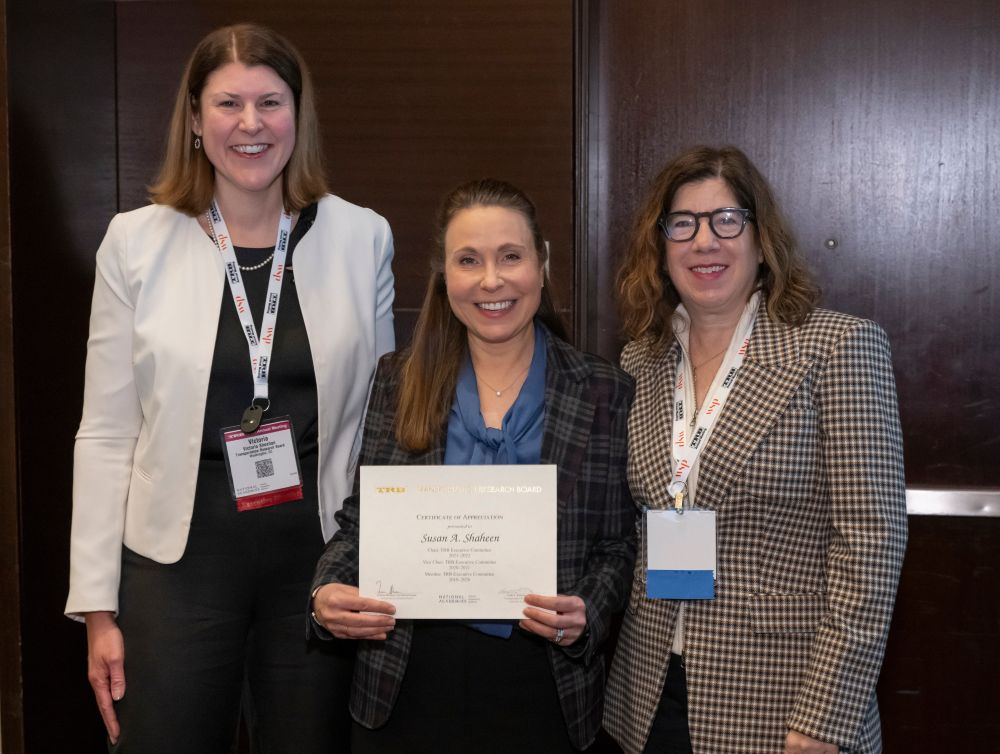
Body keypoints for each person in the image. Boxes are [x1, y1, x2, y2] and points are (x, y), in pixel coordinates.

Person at [65, 23, 395, 752]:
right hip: (177, 566)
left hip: (320, 564)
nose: (251, 125)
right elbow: (106, 429)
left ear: (297, 117)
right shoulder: (134, 242)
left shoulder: (362, 237)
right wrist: (96, 607)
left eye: (270, 103)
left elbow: (386, 418)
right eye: (227, 104)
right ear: (192, 119)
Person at [309, 178, 636, 752]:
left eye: (511, 256)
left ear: (543, 263)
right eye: (468, 260)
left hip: (543, 684)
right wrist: (326, 592)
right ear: (444, 273)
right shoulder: (398, 379)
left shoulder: (603, 389)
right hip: (405, 679)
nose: (491, 280)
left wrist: (587, 608)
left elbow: (615, 544)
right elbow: (362, 522)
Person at [602, 145, 907, 754]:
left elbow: (872, 546)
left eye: (726, 220)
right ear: (660, 248)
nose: (704, 242)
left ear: (760, 236)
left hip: (783, 700)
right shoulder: (642, 359)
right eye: (682, 224)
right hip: (648, 695)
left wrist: (827, 716)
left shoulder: (835, 348)